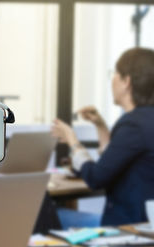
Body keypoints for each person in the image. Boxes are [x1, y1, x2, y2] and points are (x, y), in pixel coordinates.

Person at [51, 47, 154, 226]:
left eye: (115, 74)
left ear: (126, 81)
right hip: (144, 225)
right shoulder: (144, 121)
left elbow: (96, 178)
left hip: (128, 231)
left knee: (52, 216)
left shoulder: (133, 125)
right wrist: (101, 126)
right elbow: (114, 163)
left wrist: (72, 141)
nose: (112, 80)